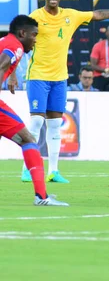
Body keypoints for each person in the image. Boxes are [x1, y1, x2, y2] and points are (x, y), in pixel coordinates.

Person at [21, 0, 109, 184]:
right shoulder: (34, 18)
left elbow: (99, 14)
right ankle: (27, 169)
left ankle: (53, 171)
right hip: (38, 76)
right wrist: (13, 72)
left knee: (55, 125)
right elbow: (20, 43)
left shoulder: (71, 15)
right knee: (36, 122)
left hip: (59, 78)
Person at [1, 15, 68, 206]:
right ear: (23, 33)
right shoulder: (16, 46)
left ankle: (42, 195)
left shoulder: (7, 41)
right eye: (34, 35)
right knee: (28, 139)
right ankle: (41, 197)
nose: (36, 39)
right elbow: (2, 62)